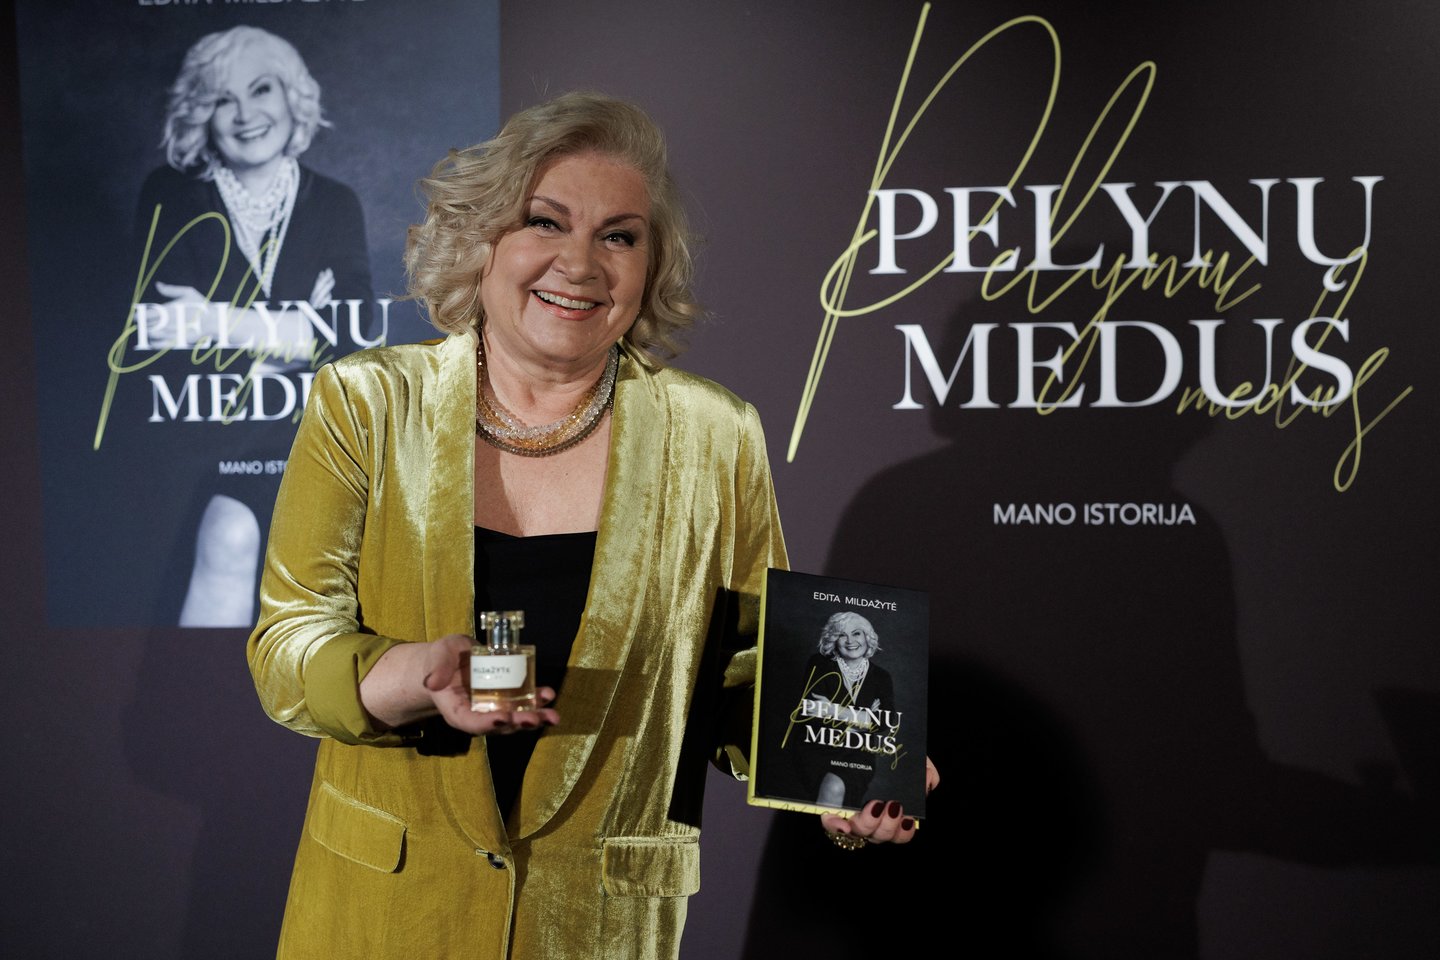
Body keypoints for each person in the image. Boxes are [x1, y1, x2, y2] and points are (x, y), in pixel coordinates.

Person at [248, 92, 927, 960]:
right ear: (482, 240)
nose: (579, 264)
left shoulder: (716, 435)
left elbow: (751, 674)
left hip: (600, 925)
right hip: (384, 915)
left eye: (619, 236)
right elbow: (289, 649)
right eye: (545, 222)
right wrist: (417, 675)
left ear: (650, 266)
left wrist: (841, 774)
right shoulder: (367, 404)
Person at [135, 25, 374, 626]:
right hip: (202, 436)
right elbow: (160, 336)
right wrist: (294, 332)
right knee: (228, 538)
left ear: (293, 95)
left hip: (314, 437)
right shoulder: (169, 195)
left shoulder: (334, 202)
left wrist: (212, 321)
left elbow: (353, 335)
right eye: (223, 98)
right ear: (201, 112)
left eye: (261, 89)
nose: (245, 115)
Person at [797, 610, 894, 808]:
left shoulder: (881, 677)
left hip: (858, 754)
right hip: (817, 748)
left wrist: (833, 710)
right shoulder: (820, 664)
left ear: (867, 637)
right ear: (834, 639)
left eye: (856, 633)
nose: (850, 641)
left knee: (834, 789)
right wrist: (864, 718)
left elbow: (887, 721)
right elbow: (812, 710)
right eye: (842, 635)